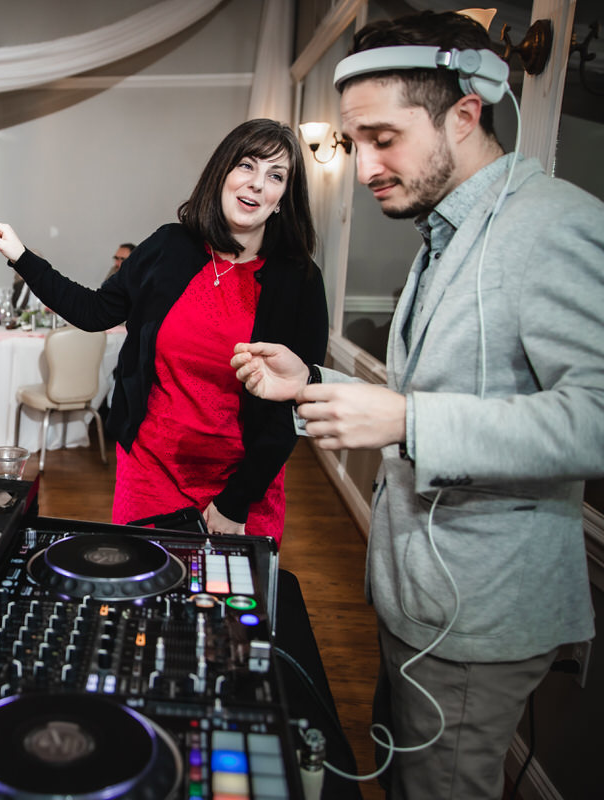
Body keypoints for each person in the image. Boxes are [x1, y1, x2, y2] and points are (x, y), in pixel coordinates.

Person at [231, 11, 603, 798]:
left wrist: (407, 421)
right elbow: (455, 385)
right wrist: (313, 383)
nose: (363, 165)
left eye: (383, 137)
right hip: (419, 599)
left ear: (465, 114)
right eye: (353, 141)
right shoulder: (448, 234)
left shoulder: (553, 226)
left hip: (481, 613)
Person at [0, 118, 328, 539]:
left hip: (243, 481)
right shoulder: (170, 246)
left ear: (283, 198)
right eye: (246, 166)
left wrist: (236, 500)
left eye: (275, 175)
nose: (256, 184)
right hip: (150, 470)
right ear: (223, 173)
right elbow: (94, 311)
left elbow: (292, 406)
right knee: (140, 592)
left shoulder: (299, 280)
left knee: (227, 601)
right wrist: (19, 253)